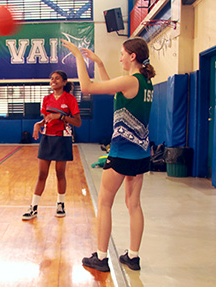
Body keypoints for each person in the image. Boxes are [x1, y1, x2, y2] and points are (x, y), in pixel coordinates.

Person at [62, 37, 155, 272]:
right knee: (134, 204)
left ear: (133, 56)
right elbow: (113, 90)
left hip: (122, 153)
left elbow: (87, 88)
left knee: (104, 202)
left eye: (122, 53)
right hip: (142, 154)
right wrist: (100, 64)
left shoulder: (129, 80)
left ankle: (101, 258)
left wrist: (78, 58)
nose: (120, 57)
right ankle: (132, 257)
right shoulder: (144, 82)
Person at [22, 70, 82, 220]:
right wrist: (38, 124)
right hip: (47, 138)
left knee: (60, 173)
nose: (54, 80)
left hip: (62, 138)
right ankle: (34, 207)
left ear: (63, 82)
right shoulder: (47, 99)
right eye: (52, 78)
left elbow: (78, 122)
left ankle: (60, 204)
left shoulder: (70, 99)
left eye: (57, 78)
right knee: (42, 174)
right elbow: (46, 120)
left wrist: (61, 116)